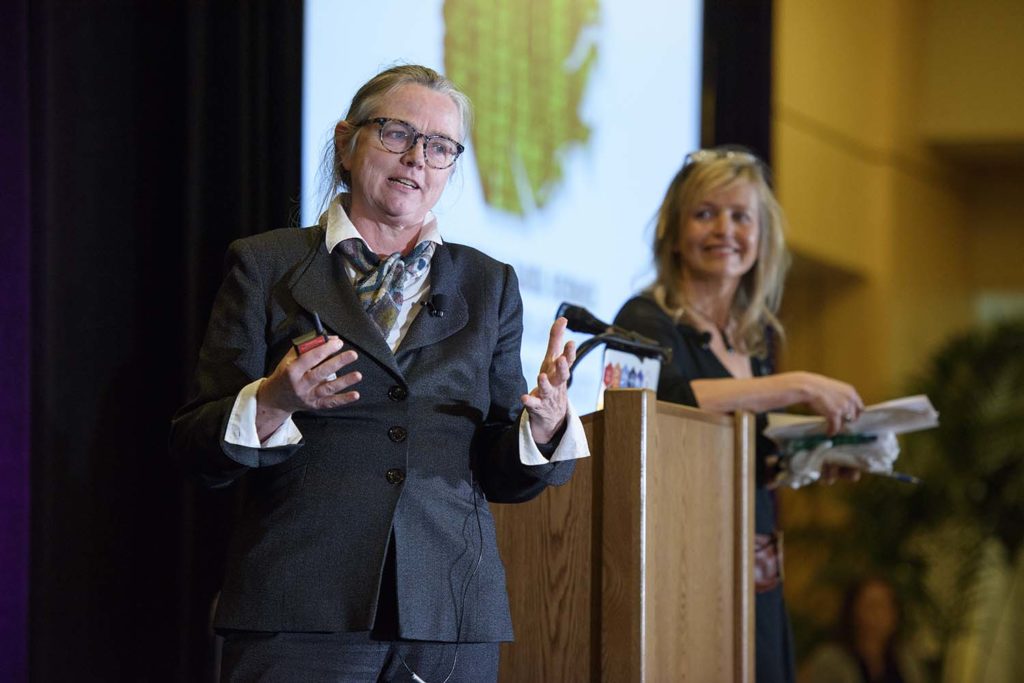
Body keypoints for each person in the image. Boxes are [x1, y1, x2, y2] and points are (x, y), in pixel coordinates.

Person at [170, 64, 589, 682]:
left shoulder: (489, 283)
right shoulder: (264, 265)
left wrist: (545, 427)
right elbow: (194, 446)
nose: (418, 158)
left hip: (448, 614)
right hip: (301, 608)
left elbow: (501, 468)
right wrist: (274, 400)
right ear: (347, 142)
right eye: (397, 133)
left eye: (441, 147)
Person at [613, 147, 864, 683]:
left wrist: (811, 458)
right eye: (705, 214)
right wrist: (795, 384)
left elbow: (742, 455)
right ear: (673, 234)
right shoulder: (642, 318)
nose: (723, 229)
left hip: (756, 568)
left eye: (740, 216)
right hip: (683, 568)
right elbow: (664, 404)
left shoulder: (751, 343)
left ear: (761, 237)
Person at [801, 576, 926, 683]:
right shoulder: (831, 661)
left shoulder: (905, 658)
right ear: (853, 612)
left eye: (886, 606)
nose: (879, 615)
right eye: (872, 606)